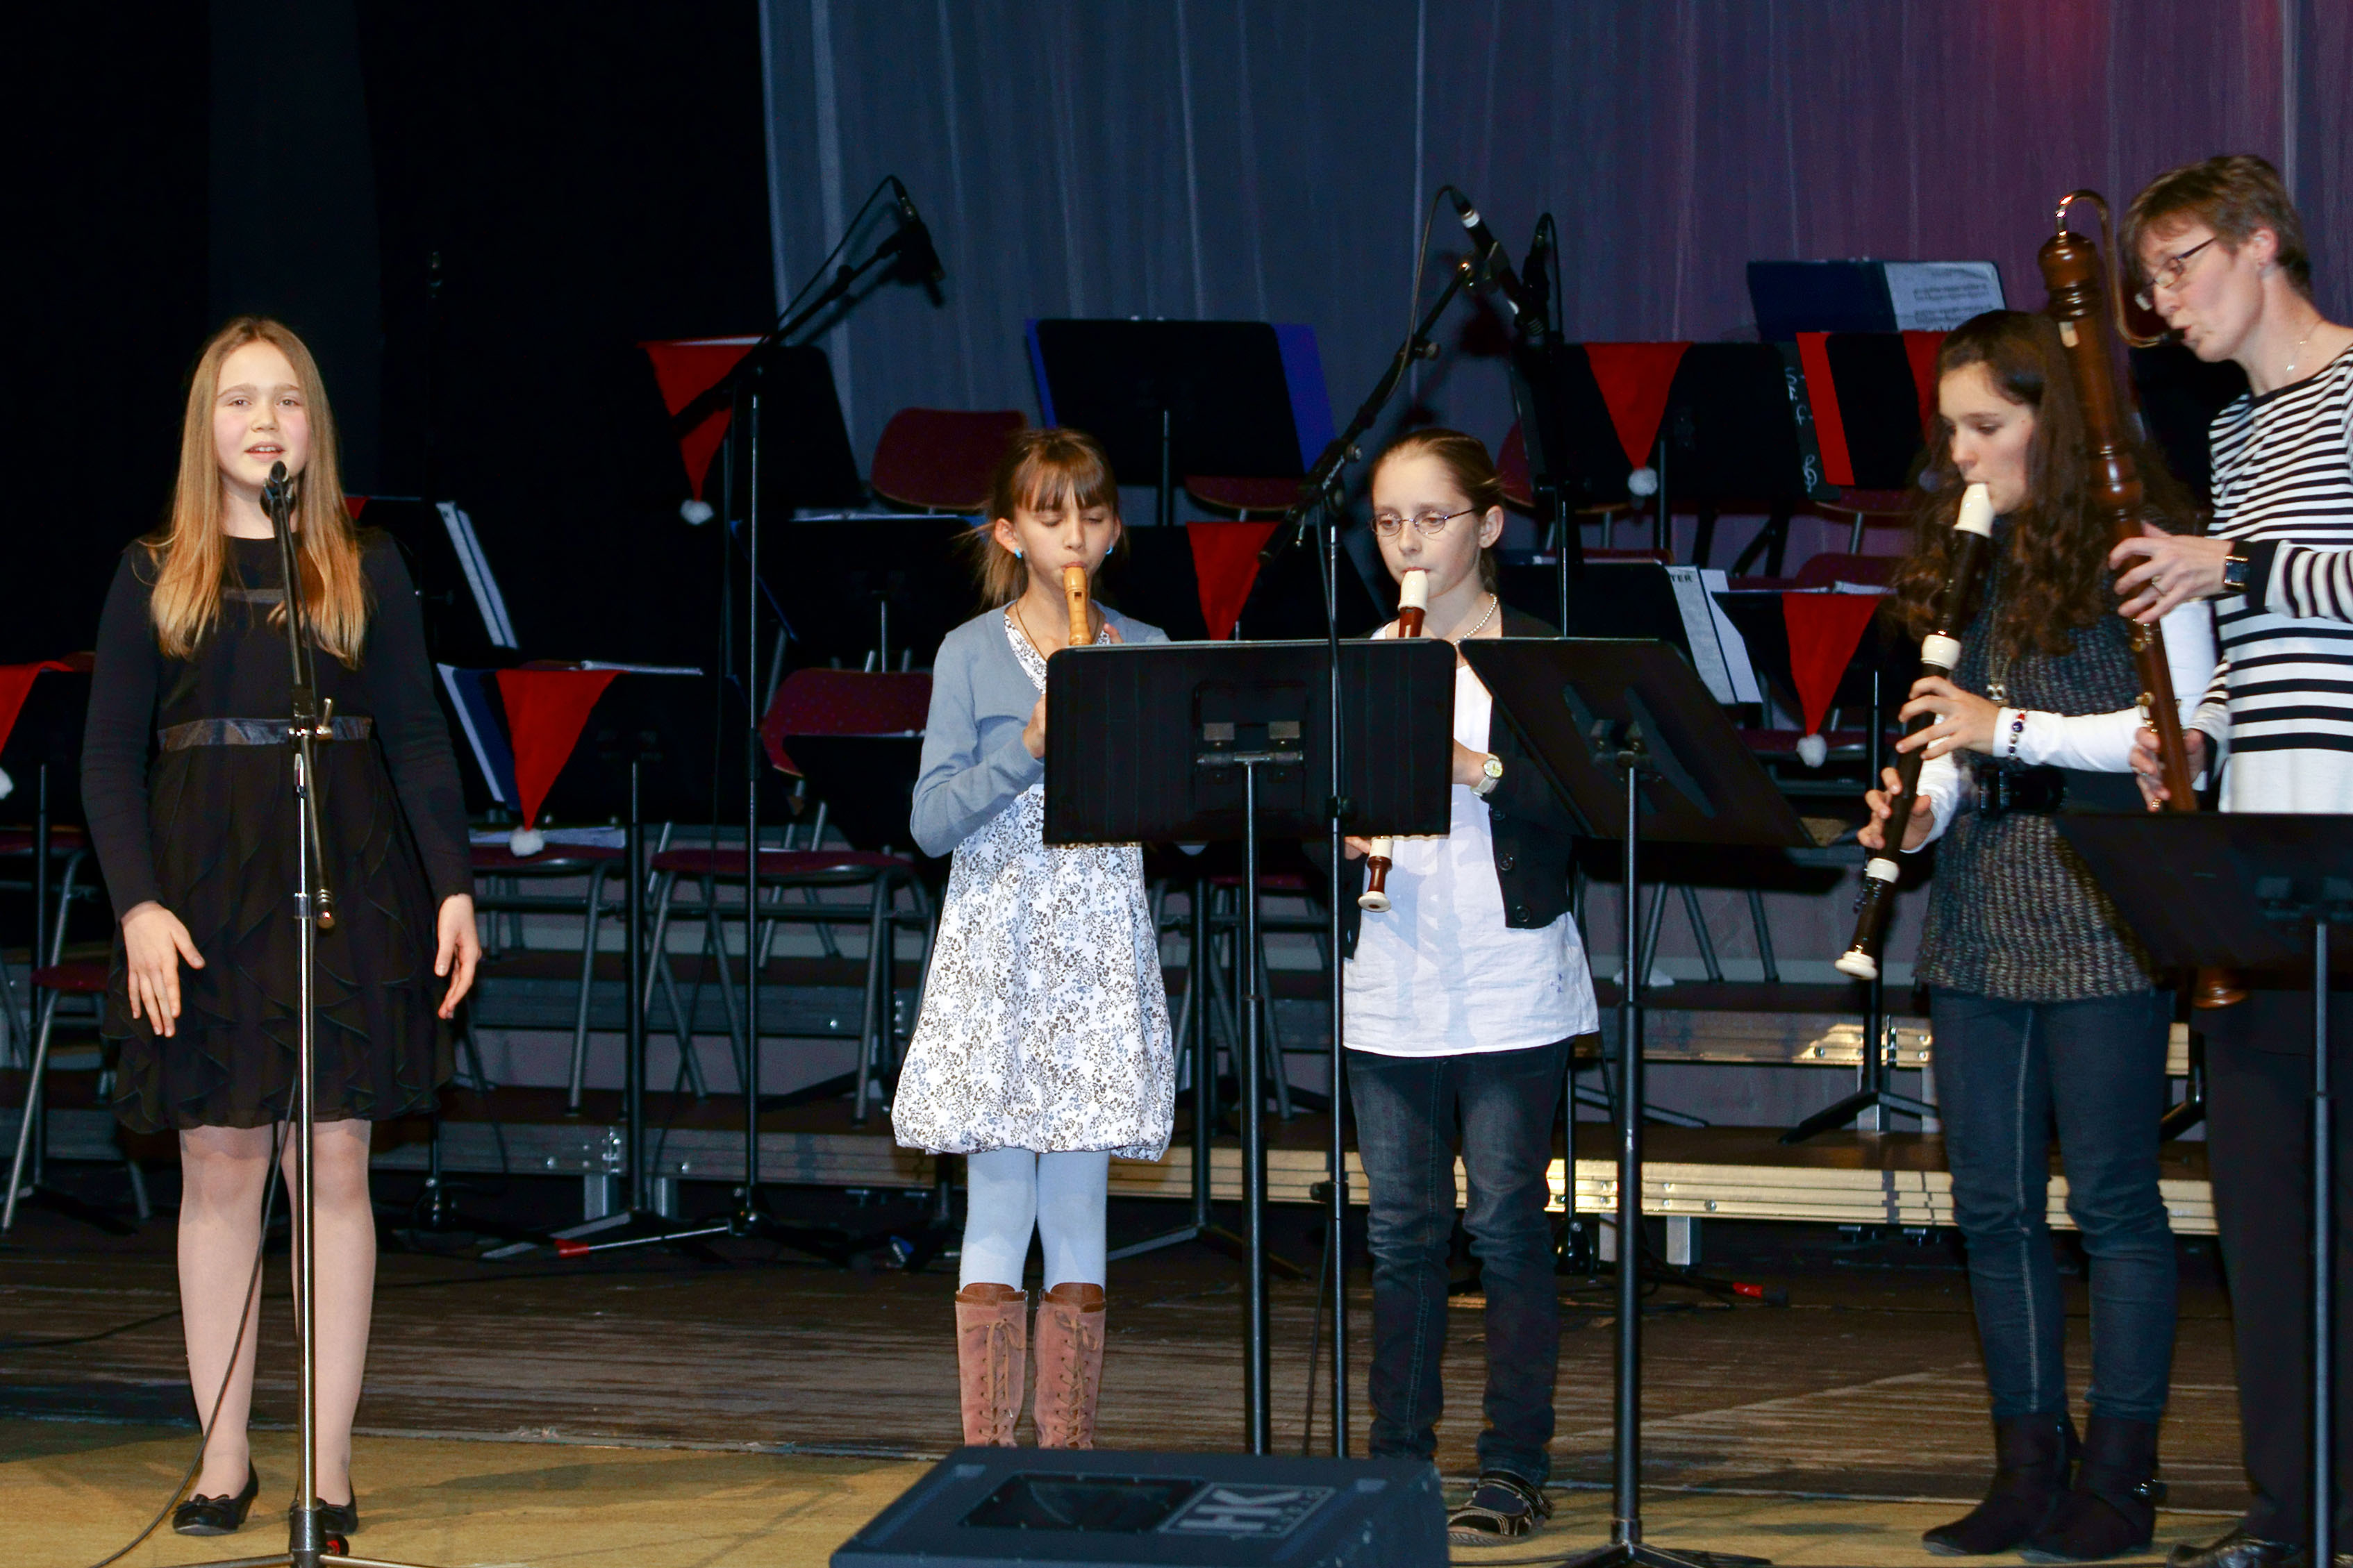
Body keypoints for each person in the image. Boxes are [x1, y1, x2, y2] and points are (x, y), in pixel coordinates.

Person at [81, 317, 479, 1537]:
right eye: (240, 400)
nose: (266, 421)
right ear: (204, 427)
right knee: (219, 1167)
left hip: (343, 883)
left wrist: (454, 884)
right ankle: (222, 1460)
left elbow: (419, 738)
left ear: (316, 424)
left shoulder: (367, 566)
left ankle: (329, 1463)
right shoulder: (154, 572)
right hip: (200, 899)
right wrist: (139, 904)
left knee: (336, 1165)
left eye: (288, 399)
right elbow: (107, 758)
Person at [1859, 310, 2216, 1561]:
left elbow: (2174, 732)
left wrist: (1998, 728)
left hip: (2104, 906)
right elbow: (1956, 749)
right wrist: (1920, 812)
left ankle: (2121, 1475)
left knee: (2113, 1199)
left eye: (1986, 427)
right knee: (1994, 1203)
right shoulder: (1973, 559)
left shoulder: (2138, 546)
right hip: (1978, 908)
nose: (1960, 454)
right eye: (1951, 429)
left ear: (2051, 425)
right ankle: (2027, 1463)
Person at [2113, 153, 2353, 1568]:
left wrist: (2231, 565)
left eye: (2180, 264)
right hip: (2261, 841)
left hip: (2349, 824)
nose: (2160, 300)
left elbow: (2287, 582)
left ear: (2263, 243)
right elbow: (2260, 644)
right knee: (2265, 1203)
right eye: (2147, 279)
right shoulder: (2238, 428)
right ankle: (2292, 1508)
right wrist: (2194, 729)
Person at [1333, 428, 1597, 1547]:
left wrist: (1470, 767)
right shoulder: (1364, 657)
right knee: (1401, 1230)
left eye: (1430, 519)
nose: (1408, 542)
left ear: (1486, 526)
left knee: (1503, 1223)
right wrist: (1339, 835)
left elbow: (1583, 807)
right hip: (1391, 969)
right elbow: (1305, 804)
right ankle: (1397, 1463)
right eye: (1389, 521)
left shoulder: (1535, 653)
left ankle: (1513, 1462)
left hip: (1506, 971)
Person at [892, 427, 1174, 1451]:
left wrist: (1137, 740)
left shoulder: (1145, 648)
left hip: (1095, 942)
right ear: (1010, 533)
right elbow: (930, 821)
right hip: (1000, 940)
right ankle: (986, 1450)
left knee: (1082, 1201)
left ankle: (1069, 1446)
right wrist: (1029, 745)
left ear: (1115, 530)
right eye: (1052, 518)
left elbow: (1181, 821)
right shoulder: (970, 652)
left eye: (1093, 515)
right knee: (1000, 1198)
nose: (1075, 537)